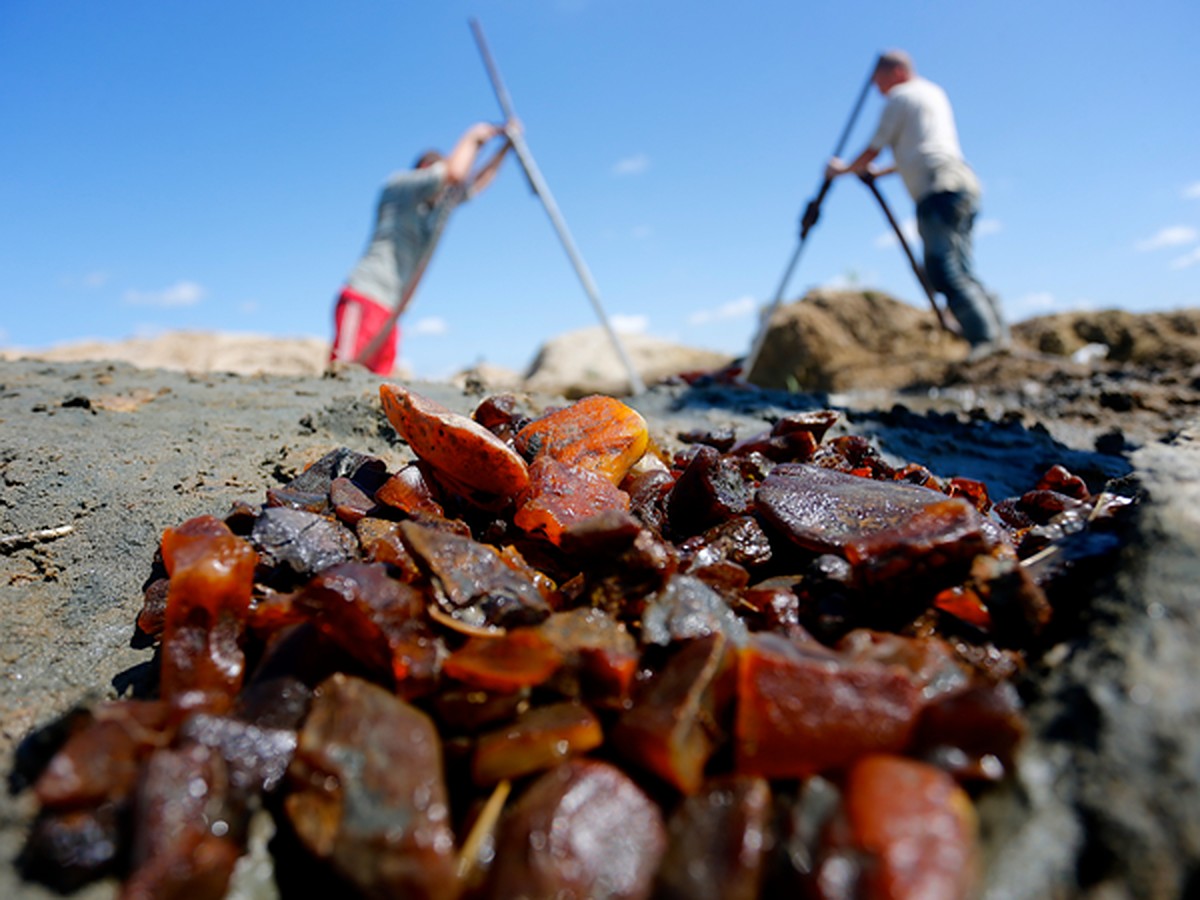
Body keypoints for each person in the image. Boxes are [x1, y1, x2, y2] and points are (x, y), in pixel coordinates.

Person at [825, 50, 1008, 355]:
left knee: (942, 269)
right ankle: (998, 336)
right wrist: (878, 174)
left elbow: (873, 149)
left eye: (878, 81)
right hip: (961, 182)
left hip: (938, 189)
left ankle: (984, 340)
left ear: (896, 72)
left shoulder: (900, 97)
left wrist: (841, 170)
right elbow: (919, 152)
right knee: (962, 267)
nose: (877, 89)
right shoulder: (932, 94)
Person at [330, 121, 515, 374]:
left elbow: (475, 183)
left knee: (376, 383)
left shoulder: (435, 209)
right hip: (365, 296)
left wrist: (504, 149)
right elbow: (455, 173)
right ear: (424, 171)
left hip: (392, 311)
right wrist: (474, 136)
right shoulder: (399, 189)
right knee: (342, 373)